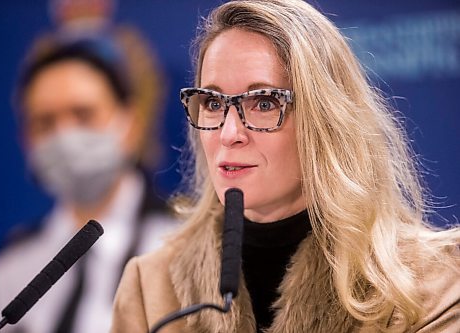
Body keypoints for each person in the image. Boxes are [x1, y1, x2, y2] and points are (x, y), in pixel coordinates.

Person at [110, 0, 460, 332]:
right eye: (214, 102)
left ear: (326, 120)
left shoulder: (432, 282)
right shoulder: (150, 287)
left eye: (263, 102)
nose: (229, 133)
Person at [0, 26, 177, 333]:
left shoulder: (186, 245)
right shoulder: (10, 265)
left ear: (131, 123)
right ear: (26, 139)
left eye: (83, 114)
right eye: (45, 122)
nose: (64, 135)